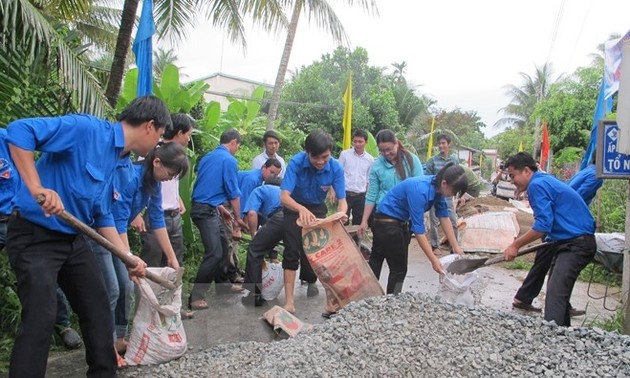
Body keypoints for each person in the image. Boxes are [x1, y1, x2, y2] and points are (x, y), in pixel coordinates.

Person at [5, 96, 167, 377]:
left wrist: (127, 257)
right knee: (40, 316)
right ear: (150, 126)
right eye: (161, 136)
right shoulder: (86, 130)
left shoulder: (119, 164)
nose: (158, 144)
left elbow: (102, 215)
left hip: (72, 238)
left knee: (98, 307)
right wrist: (36, 187)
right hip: (35, 236)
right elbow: (19, 130)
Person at [0, 129, 83, 350]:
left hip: (21, 216)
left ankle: (63, 325)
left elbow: (25, 161)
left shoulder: (7, 138)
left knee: (44, 277)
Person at [108, 142, 188, 357]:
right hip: (102, 232)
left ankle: (118, 339)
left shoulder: (154, 183)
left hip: (117, 230)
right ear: (156, 161)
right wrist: (129, 258)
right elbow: (119, 219)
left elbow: (156, 219)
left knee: (124, 286)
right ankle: (105, 343)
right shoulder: (131, 177)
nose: (169, 179)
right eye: (170, 173)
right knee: (114, 287)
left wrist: (172, 258)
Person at [502, 152, 596, 327]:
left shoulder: (536, 185)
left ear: (527, 171)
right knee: (558, 293)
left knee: (555, 295)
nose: (512, 181)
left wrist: (515, 245)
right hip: (567, 241)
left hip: (577, 243)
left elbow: (543, 225)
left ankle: (554, 340)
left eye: (513, 176)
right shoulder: (543, 180)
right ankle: (563, 337)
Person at [366, 162, 468, 294]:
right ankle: (392, 301)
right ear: (444, 183)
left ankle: (366, 298)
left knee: (376, 260)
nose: (451, 196)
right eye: (453, 192)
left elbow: (444, 217)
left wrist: (455, 247)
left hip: (385, 220)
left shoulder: (437, 190)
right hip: (388, 224)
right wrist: (433, 260)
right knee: (398, 269)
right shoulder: (420, 190)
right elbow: (419, 232)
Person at [280, 130, 347, 313]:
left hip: (318, 208)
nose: (320, 162)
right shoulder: (296, 162)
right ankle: (289, 302)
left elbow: (342, 201)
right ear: (306, 153)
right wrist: (301, 209)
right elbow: (284, 197)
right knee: (292, 252)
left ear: (330, 152)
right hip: (294, 208)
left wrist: (341, 214)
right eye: (315, 157)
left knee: (322, 255)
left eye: (324, 157)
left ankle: (331, 303)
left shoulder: (335, 168)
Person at [189, 129, 245, 310]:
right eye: (238, 146)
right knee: (214, 253)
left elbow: (207, 186)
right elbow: (233, 193)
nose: (237, 149)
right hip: (204, 211)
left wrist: (221, 208)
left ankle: (223, 286)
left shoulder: (208, 157)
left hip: (209, 208)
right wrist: (238, 219)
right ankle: (196, 296)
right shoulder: (229, 160)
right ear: (234, 142)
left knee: (223, 246)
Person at [138, 113, 193, 268]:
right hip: (156, 214)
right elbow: (141, 182)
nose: (188, 139)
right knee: (153, 262)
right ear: (180, 133)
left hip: (174, 215)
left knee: (174, 261)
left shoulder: (178, 155)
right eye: (188, 135)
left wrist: (177, 198)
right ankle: (148, 292)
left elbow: (171, 182)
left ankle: (170, 292)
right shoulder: (152, 152)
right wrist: (136, 213)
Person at [358, 129, 423, 233]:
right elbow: (371, 195)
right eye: (382, 151)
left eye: (389, 149)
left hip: (404, 216)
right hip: (383, 216)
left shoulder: (412, 160)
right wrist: (364, 221)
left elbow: (419, 188)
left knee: (400, 248)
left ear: (396, 143)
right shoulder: (376, 165)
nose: (386, 153)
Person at [241, 177, 283, 306]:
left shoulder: (260, 189)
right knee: (299, 251)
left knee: (255, 250)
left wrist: (254, 235)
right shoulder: (285, 190)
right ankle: (311, 284)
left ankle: (255, 295)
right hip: (298, 216)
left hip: (281, 217)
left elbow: (252, 213)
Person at [425, 134, 460, 255]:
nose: (441, 145)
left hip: (449, 195)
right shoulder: (432, 161)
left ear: (448, 144)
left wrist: (459, 194)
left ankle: (454, 246)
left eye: (443, 143)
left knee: (452, 220)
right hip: (435, 195)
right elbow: (427, 178)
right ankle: (435, 246)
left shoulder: (454, 160)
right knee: (433, 221)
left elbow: (458, 177)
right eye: (439, 143)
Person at [334, 129, 374, 225]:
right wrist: (335, 191)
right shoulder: (345, 155)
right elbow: (337, 173)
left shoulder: (370, 159)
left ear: (366, 142)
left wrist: (368, 197)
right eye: (355, 141)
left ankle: (356, 240)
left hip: (360, 195)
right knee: (342, 221)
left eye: (360, 142)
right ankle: (343, 240)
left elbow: (368, 179)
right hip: (345, 194)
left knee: (358, 222)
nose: (357, 144)